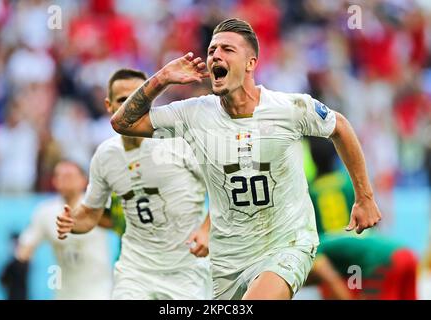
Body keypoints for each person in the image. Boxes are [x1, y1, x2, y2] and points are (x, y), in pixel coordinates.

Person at [109, 18, 382, 300]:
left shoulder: (289, 108)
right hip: (228, 258)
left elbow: (340, 127)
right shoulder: (192, 114)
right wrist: (162, 78)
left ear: (250, 63)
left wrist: (364, 197)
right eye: (212, 49)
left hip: (286, 243)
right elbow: (123, 123)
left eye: (227, 49)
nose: (215, 54)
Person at [56, 68, 212, 300]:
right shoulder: (105, 156)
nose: (132, 107)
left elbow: (223, 188)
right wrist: (73, 222)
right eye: (123, 100)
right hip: (135, 271)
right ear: (108, 105)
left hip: (186, 270)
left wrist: (207, 229)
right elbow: (90, 213)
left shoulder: (178, 143)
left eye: (138, 98)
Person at [305, 137, 418, 300]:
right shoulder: (347, 181)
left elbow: (329, 277)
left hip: (369, 262)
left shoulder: (310, 191)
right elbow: (367, 213)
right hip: (378, 246)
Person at [16, 160, 113, 300]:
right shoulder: (46, 212)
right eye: (58, 176)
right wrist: (19, 261)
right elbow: (26, 246)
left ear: (84, 180)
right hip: (65, 293)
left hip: (100, 292)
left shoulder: (98, 206)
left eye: (69, 175)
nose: (63, 179)